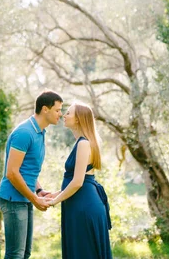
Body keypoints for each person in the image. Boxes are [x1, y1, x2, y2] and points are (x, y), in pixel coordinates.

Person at [0, 91, 64, 259]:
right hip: (13, 199)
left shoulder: (40, 132)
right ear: (45, 109)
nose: (60, 114)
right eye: (57, 110)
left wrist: (40, 191)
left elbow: (27, 170)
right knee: (15, 254)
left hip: (25, 198)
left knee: (25, 253)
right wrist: (35, 199)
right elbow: (12, 172)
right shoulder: (24, 133)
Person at [47, 102, 112, 259]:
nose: (64, 115)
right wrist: (53, 194)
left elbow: (77, 182)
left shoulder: (83, 143)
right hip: (82, 202)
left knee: (84, 252)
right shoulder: (84, 142)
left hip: (83, 206)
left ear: (78, 119)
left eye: (68, 113)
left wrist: (54, 201)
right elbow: (77, 180)